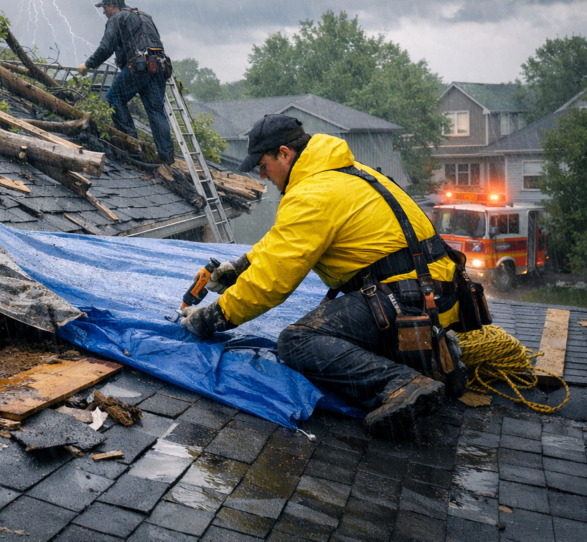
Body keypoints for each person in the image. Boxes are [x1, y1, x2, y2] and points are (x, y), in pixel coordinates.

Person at [177, 114, 471, 438]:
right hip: (434, 295)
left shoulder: (312, 194)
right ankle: (432, 357)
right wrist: (243, 265)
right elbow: (284, 240)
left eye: (263, 165)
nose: (263, 175)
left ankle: (401, 384)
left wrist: (213, 318)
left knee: (299, 341)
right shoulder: (344, 174)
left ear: (285, 154)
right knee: (342, 330)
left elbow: (272, 281)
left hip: (405, 300)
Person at [78, 0, 175, 165]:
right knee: (155, 111)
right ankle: (166, 158)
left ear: (112, 6)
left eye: (104, 8)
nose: (103, 12)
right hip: (159, 67)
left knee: (114, 97)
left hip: (140, 66)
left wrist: (88, 65)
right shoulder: (145, 16)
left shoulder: (116, 18)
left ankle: (131, 147)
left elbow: (106, 47)